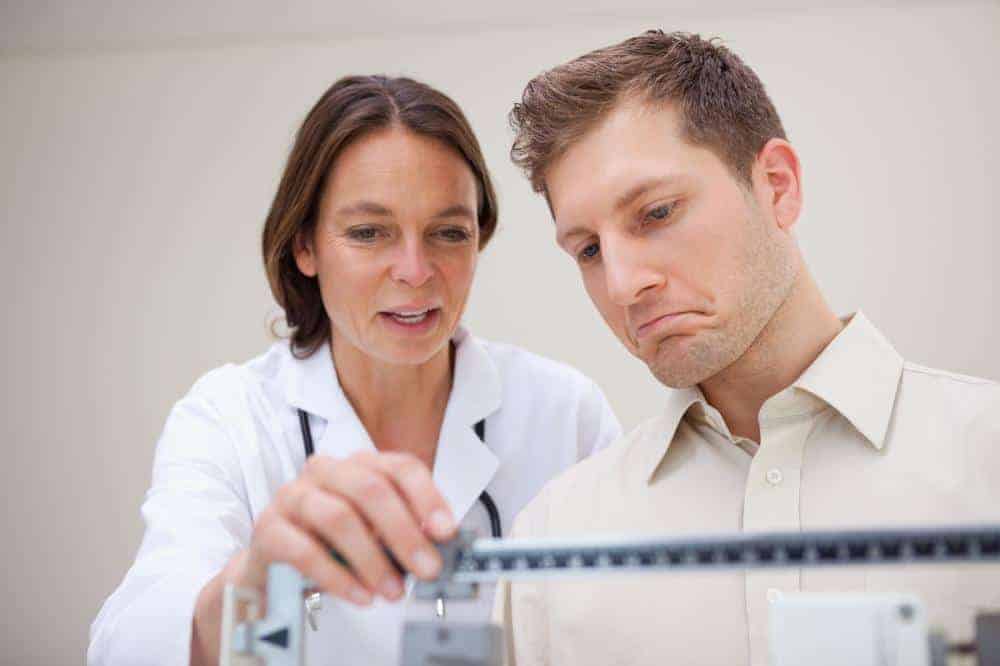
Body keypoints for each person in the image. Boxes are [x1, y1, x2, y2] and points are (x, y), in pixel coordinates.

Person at [495, 30, 1000, 666]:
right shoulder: (552, 542)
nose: (623, 286)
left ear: (777, 186)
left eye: (656, 213)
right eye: (589, 250)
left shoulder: (990, 461)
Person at [87, 75, 622, 666]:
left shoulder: (565, 412)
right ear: (305, 246)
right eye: (369, 233)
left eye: (448, 233)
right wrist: (255, 581)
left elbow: (630, 628)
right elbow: (130, 644)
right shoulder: (230, 418)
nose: (416, 271)